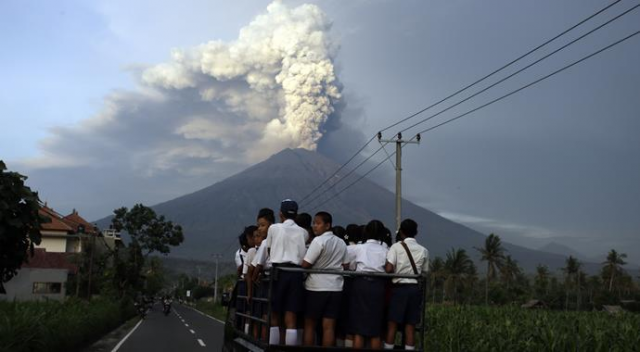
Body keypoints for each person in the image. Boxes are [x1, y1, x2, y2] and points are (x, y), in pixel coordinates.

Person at [301, 211, 348, 347]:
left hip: (316, 287)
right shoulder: (341, 242)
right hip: (336, 287)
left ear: (328, 226)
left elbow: (306, 264)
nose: (315, 226)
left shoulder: (318, 241)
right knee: (329, 326)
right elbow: (346, 264)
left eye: (318, 223)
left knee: (309, 324)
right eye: (314, 223)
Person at [265, 199, 307, 346]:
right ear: (296, 214)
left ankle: (273, 348)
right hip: (296, 273)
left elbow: (269, 250)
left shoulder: (274, 228)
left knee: (275, 314)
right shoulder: (304, 232)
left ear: (280, 214)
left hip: (279, 272)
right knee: (291, 316)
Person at [384, 219, 429, 351]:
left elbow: (388, 269)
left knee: (392, 325)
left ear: (401, 232)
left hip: (399, 289)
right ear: (416, 233)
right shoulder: (423, 250)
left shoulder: (396, 247)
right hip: (415, 290)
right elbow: (424, 272)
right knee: (410, 327)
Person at [348, 220, 389, 349]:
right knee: (375, 328)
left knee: (358, 328)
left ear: (366, 231)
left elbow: (351, 266)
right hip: (378, 286)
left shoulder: (358, 248)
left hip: (360, 284)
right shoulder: (386, 250)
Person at [251, 208, 275, 341]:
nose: (259, 229)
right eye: (258, 225)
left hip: (267, 282)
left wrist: (254, 278)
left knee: (264, 315)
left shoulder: (266, 242)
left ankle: (261, 343)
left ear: (271, 225)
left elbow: (257, 265)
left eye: (263, 225)